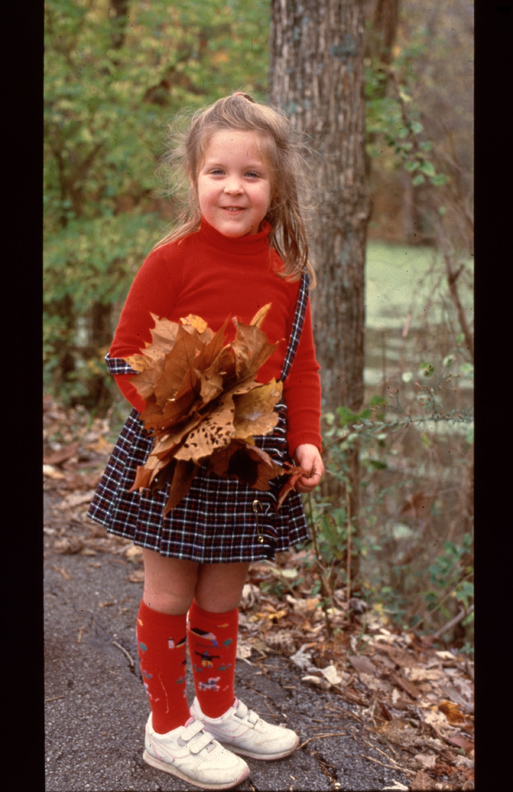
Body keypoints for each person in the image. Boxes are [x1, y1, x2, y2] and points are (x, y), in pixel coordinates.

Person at [88, 92, 324, 790]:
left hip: (248, 456)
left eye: (250, 174)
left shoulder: (288, 274)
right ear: (193, 178)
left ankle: (215, 707)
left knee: (224, 590)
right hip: (178, 456)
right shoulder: (172, 259)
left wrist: (305, 439)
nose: (233, 187)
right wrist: (171, 417)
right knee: (168, 591)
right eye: (217, 172)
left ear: (275, 186)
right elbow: (124, 354)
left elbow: (299, 367)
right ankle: (166, 727)